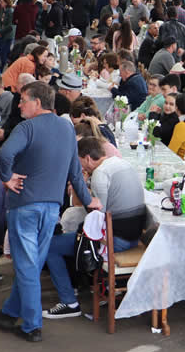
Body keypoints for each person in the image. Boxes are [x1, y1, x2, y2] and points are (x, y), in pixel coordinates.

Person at [0, 82, 98, 342]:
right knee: (33, 263)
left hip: (24, 205)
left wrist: (7, 178)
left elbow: (4, 155)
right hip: (50, 208)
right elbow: (75, 172)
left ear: (37, 102)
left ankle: (32, 325)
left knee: (26, 265)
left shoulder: (26, 128)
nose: (20, 104)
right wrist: (88, 200)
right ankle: (10, 311)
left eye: (23, 100)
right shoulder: (67, 128)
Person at [42, 136, 149, 319]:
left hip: (117, 240)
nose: (81, 168)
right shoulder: (122, 163)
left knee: (50, 245)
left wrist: (81, 187)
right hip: (135, 235)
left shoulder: (100, 174)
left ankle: (69, 301)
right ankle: (99, 288)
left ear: (88, 158)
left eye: (80, 163)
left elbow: (99, 216)